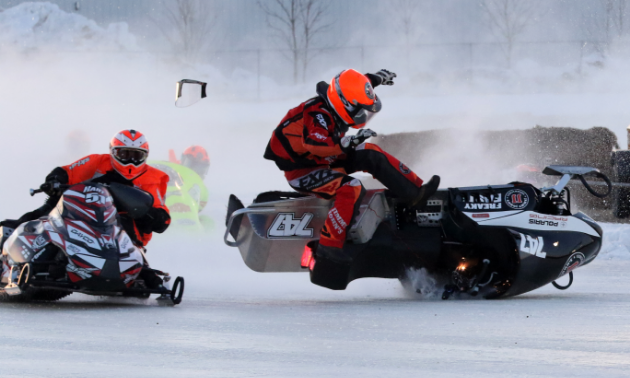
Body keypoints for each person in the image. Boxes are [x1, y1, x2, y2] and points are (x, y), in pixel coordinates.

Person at [264, 68, 440, 263]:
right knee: (351, 188)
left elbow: (352, 87)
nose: (361, 114)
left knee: (370, 151)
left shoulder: (335, 99)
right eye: (358, 110)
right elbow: (315, 145)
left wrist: (376, 79)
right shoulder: (317, 114)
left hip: (323, 158)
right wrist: (347, 143)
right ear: (344, 105)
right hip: (302, 170)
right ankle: (328, 247)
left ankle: (414, 194)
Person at [13, 129, 171, 248]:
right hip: (82, 212)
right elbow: (66, 171)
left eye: (136, 156)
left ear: (145, 156)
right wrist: (54, 181)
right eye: (124, 154)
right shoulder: (97, 161)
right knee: (46, 209)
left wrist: (149, 214)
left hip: (122, 223)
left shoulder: (155, 177)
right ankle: (13, 236)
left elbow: (162, 216)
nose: (130, 161)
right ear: (113, 152)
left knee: (129, 228)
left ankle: (135, 267)